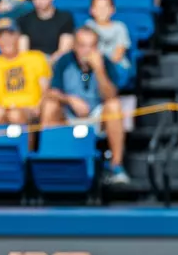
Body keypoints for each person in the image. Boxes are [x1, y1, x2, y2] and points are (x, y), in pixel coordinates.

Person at [42, 25, 129, 184]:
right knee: (50, 106)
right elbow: (51, 91)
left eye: (91, 46)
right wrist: (70, 99)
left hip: (97, 116)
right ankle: (49, 162)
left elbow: (110, 95)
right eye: (82, 45)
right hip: (69, 114)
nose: (87, 51)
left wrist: (99, 69)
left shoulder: (105, 62)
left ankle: (116, 166)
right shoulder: (65, 61)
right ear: (75, 46)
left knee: (114, 106)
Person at [0, 17, 50, 127]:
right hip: (3, 108)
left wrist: (38, 107)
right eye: (1, 37)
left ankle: (27, 144)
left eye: (10, 35)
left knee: (15, 115)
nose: (6, 41)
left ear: (18, 37)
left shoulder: (35, 58)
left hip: (29, 108)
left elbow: (45, 89)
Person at [19, 0, 75, 64]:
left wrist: (48, 63)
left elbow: (64, 51)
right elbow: (23, 52)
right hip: (33, 65)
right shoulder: (25, 20)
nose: (39, 1)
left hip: (57, 65)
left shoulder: (65, 18)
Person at [86, 0, 133, 87]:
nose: (102, 11)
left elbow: (119, 53)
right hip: (93, 65)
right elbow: (86, 50)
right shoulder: (88, 26)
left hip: (117, 66)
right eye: (98, 7)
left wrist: (103, 67)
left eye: (105, 7)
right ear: (92, 10)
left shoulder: (120, 27)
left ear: (113, 9)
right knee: (83, 75)